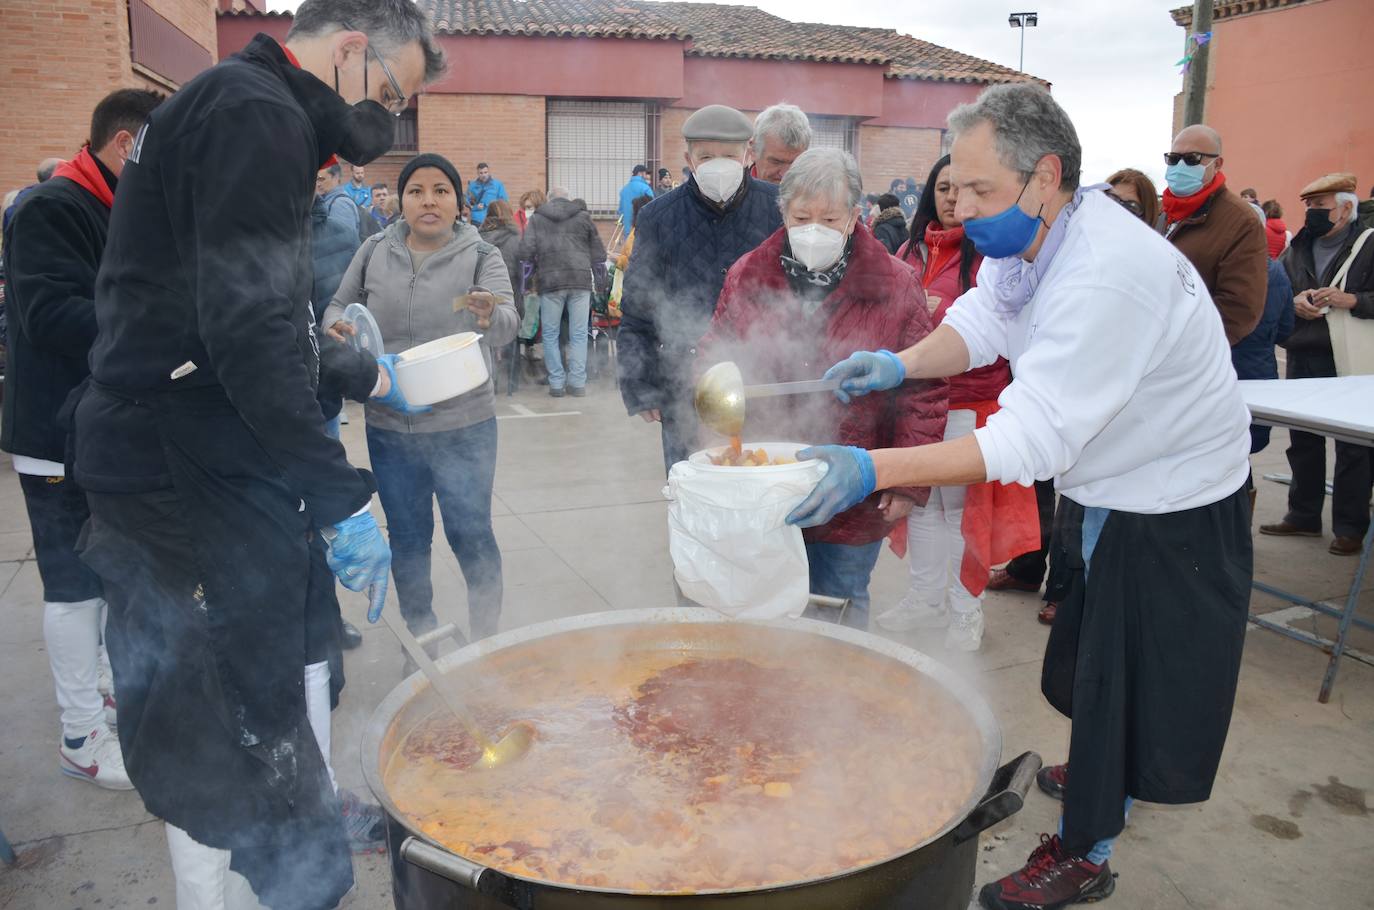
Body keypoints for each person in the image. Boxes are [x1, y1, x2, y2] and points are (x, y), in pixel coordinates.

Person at [793, 84, 1253, 910]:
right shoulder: (1039, 233)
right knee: (1098, 661)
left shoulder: (1107, 274)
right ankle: (1107, 767)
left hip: (1173, 497)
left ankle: (1087, 851)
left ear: (1044, 177)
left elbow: (1029, 440)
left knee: (1125, 670)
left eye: (980, 190)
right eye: (956, 190)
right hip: (1116, 476)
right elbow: (986, 316)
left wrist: (877, 468)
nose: (963, 209)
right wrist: (906, 362)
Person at [68, 3, 445, 906]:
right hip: (178, 468)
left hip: (197, 448)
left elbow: (240, 304)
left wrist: (355, 370)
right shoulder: (259, 114)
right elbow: (242, 328)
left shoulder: (231, 101)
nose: (386, 122)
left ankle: (290, 864)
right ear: (351, 50)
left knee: (269, 691)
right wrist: (339, 491)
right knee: (222, 731)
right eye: (391, 93)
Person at [699, 148, 946, 628]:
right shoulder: (748, 274)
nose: (815, 228)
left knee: (841, 605)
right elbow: (717, 359)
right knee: (763, 608)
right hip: (763, 484)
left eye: (830, 217)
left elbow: (925, 390)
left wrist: (907, 482)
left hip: (851, 491)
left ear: (856, 216)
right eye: (802, 216)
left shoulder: (896, 285)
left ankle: (843, 704)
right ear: (783, 213)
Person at [1, 88, 164, 793]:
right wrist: (154, 324)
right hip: (53, 429)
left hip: (99, 427)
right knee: (70, 585)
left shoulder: (112, 203)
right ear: (126, 145)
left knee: (100, 574)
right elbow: (48, 315)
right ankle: (80, 735)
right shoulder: (52, 207)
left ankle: (100, 689)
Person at [325, 153, 517, 643]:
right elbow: (333, 309)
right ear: (402, 201)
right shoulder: (372, 250)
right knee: (409, 540)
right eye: (416, 191)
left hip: (465, 427)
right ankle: (422, 634)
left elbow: (508, 327)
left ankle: (488, 640)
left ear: (458, 201)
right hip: (391, 428)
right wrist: (339, 330)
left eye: (440, 190)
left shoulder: (481, 256)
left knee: (471, 535)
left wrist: (487, 316)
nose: (428, 200)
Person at [878, 153, 1035, 650]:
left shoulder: (991, 257)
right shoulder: (908, 250)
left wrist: (938, 320)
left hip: (970, 403)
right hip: (918, 406)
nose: (951, 199)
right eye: (942, 188)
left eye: (959, 189)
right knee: (920, 508)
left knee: (962, 515)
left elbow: (994, 333)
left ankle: (966, 607)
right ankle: (926, 599)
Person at [617, 104, 783, 473]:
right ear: (689, 158)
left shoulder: (776, 209)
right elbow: (638, 309)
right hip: (684, 384)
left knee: (760, 487)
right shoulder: (658, 217)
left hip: (760, 380)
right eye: (707, 155)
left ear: (748, 154)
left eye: (728, 155)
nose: (718, 164)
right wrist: (640, 384)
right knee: (692, 487)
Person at [1261, 172, 1374, 555]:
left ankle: (1350, 526)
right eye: (1308, 206)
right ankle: (1303, 514)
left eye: (1320, 207)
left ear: (1345, 209)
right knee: (1302, 439)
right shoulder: (1298, 247)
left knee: (1352, 446)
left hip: (1347, 353)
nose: (1312, 213)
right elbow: (1282, 289)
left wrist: (1353, 301)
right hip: (1303, 349)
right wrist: (1294, 301)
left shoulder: (1369, 244)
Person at [1161, 125, 1268, 345]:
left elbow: (1239, 308)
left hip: (1191, 352)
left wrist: (1187, 347)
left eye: (1192, 158)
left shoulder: (1241, 221)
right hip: (1152, 344)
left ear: (1217, 164)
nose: (1180, 166)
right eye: (1173, 159)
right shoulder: (1162, 212)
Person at [1232, 202, 1295, 506]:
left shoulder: (1224, 270)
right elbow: (1285, 330)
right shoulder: (1277, 271)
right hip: (1260, 376)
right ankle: (1241, 535)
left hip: (1229, 378)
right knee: (1242, 458)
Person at [520, 187, 607, 397]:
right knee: (578, 334)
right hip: (580, 281)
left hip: (550, 282)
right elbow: (599, 253)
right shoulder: (583, 216)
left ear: (549, 200)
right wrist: (602, 282)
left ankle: (557, 383)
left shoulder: (538, 218)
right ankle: (577, 383)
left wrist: (527, 279)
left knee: (550, 334)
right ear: (568, 199)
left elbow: (526, 251)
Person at [751, 102, 812, 183]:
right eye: (776, 162)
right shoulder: (731, 192)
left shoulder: (818, 193)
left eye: (795, 164)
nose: (784, 175)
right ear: (753, 150)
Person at [316, 162, 363, 241]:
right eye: (316, 179)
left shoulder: (340, 204)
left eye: (321, 179)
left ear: (336, 178)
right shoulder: (329, 200)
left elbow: (345, 241)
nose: (318, 184)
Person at [617, 164, 655, 237]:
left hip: (628, 229)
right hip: (642, 230)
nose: (646, 175)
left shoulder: (624, 189)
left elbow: (620, 211)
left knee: (628, 247)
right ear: (640, 173)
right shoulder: (645, 188)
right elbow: (652, 207)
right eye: (645, 173)